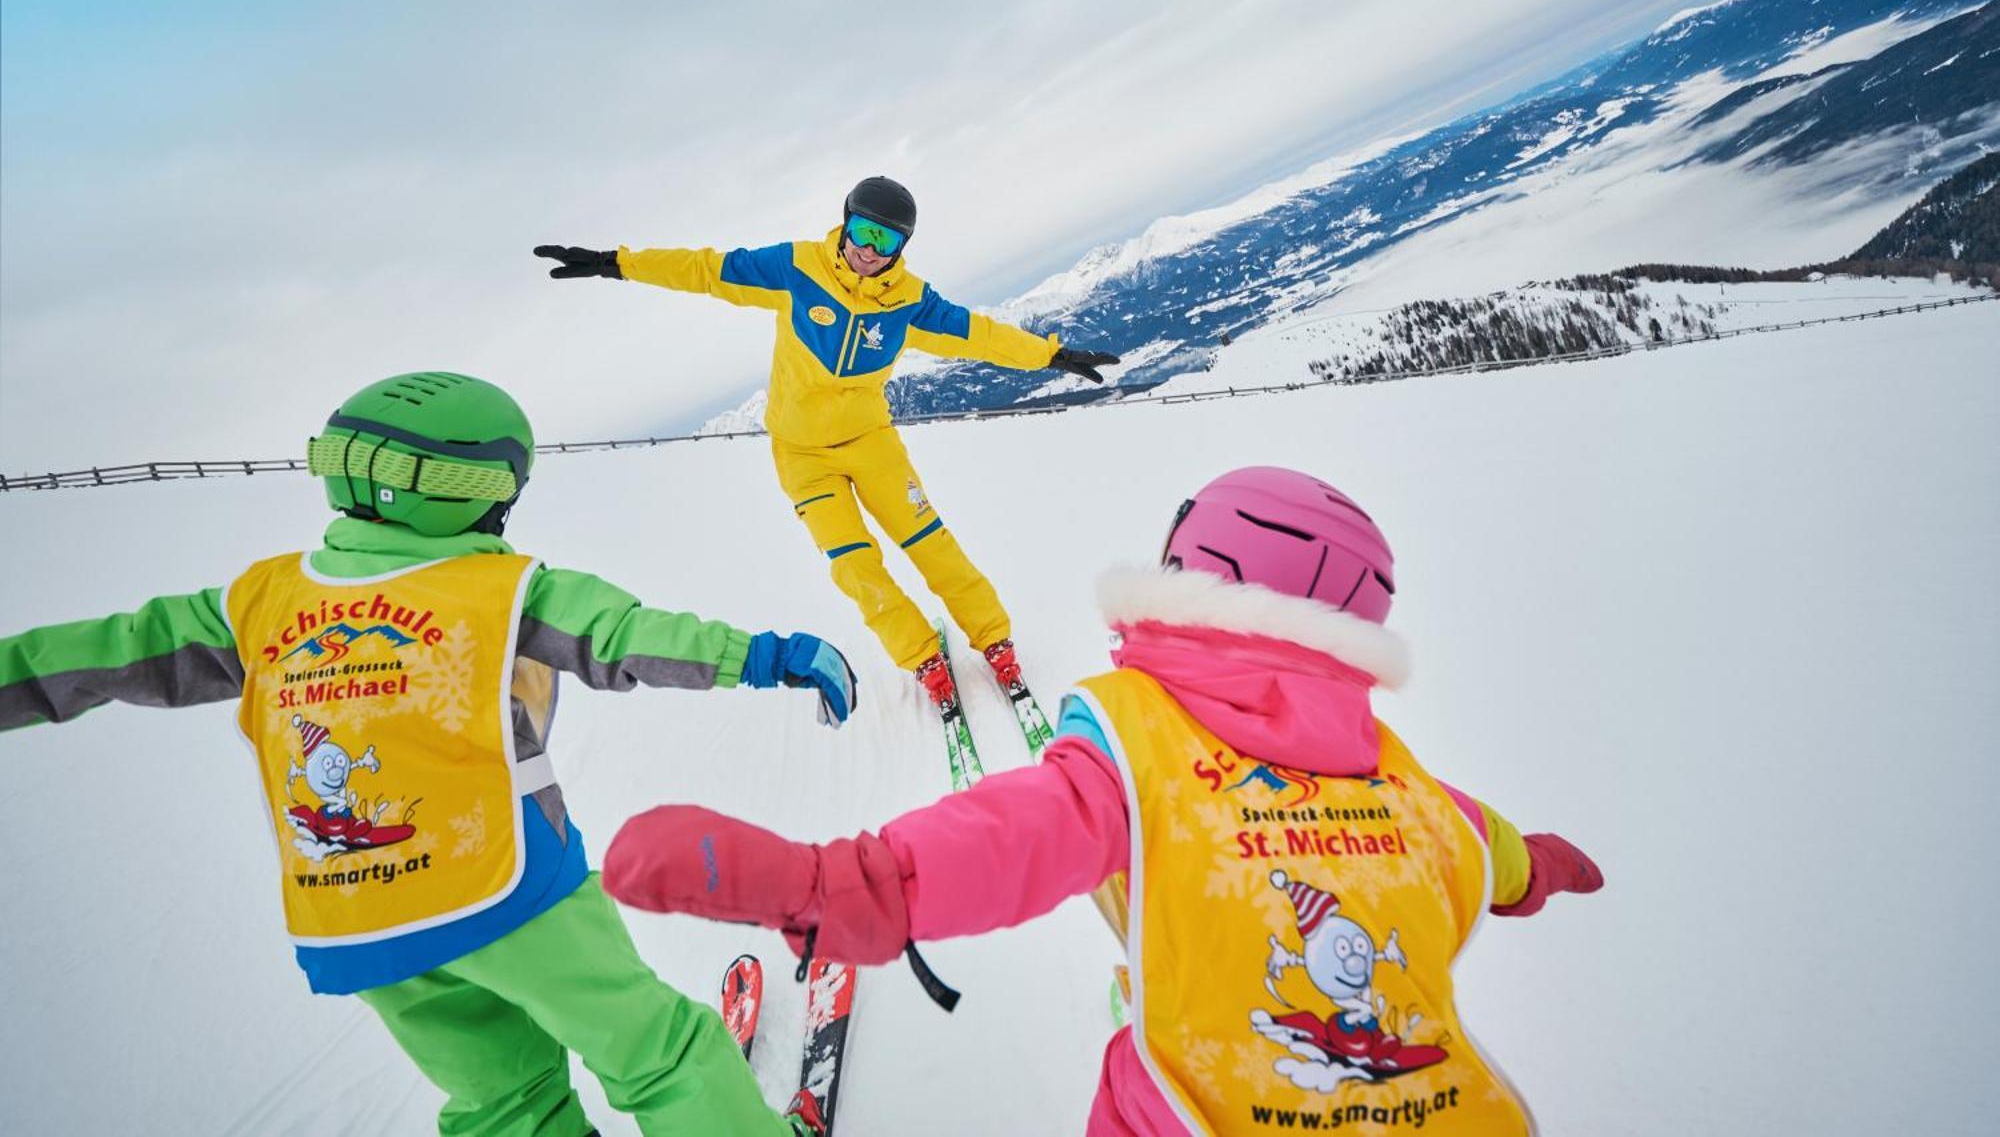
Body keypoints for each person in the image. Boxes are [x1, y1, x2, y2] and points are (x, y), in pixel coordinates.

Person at [600, 466, 1605, 1134]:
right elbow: (1493, 848)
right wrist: (1541, 866)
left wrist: (838, 882)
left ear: (1186, 574)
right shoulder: (1406, 783)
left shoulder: (1140, 739)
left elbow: (1018, 833)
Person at [0, 372, 858, 1136]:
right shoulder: (502, 587)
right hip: (509, 889)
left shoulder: (258, 599)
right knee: (654, 1049)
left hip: (360, 924)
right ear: (482, 492)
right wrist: (770, 654)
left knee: (504, 1104)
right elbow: (628, 635)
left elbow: (109, 647)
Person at [534, 176, 1121, 713]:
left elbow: (976, 333)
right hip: (801, 457)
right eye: (861, 232)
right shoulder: (797, 268)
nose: (869, 250)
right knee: (856, 566)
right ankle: (923, 658)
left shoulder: (909, 301)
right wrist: (615, 263)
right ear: (844, 223)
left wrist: (1049, 354)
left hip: (871, 443)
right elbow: (707, 269)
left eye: (885, 241)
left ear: (901, 248)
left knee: (930, 544)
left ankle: (995, 641)